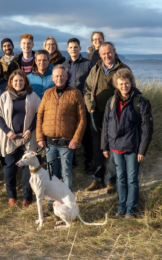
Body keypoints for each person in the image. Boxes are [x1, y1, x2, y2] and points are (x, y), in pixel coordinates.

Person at [103, 68, 153, 219]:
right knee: (120, 179)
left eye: (126, 83)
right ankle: (121, 208)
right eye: (121, 84)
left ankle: (131, 211)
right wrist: (104, 146)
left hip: (132, 147)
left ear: (131, 82)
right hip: (115, 147)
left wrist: (142, 150)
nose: (124, 86)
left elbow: (147, 129)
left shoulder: (140, 102)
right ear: (116, 85)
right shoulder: (111, 102)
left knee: (132, 179)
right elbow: (105, 125)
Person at [84, 42, 132, 193]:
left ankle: (111, 181)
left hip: (115, 116)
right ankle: (97, 180)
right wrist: (90, 105)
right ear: (99, 54)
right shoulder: (96, 68)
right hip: (96, 114)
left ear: (114, 51)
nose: (107, 56)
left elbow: (130, 90)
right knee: (98, 147)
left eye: (109, 53)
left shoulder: (123, 69)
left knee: (112, 148)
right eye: (103, 54)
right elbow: (87, 89)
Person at [0, 69, 41, 207]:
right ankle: (11, 196)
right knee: (9, 166)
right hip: (10, 137)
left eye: (21, 80)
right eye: (15, 81)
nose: (18, 83)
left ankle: (27, 196)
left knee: (28, 167)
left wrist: (30, 129)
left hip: (28, 137)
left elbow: (39, 114)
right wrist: (7, 131)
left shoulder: (32, 95)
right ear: (11, 82)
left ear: (25, 81)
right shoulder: (5, 96)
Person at [36, 65, 86, 191]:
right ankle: (52, 201)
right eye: (57, 76)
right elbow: (40, 116)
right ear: (52, 78)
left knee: (66, 173)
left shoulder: (75, 93)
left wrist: (76, 139)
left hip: (67, 142)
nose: (60, 78)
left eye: (62, 75)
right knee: (51, 172)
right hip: (49, 142)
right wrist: (40, 137)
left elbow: (82, 119)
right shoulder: (47, 93)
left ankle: (67, 201)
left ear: (66, 76)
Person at [62, 38, 94, 174]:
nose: (73, 49)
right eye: (71, 47)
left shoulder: (88, 64)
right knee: (70, 133)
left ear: (80, 48)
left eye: (76, 47)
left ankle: (89, 165)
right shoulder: (64, 64)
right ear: (67, 49)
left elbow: (94, 85)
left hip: (84, 104)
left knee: (87, 135)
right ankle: (72, 162)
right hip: (68, 104)